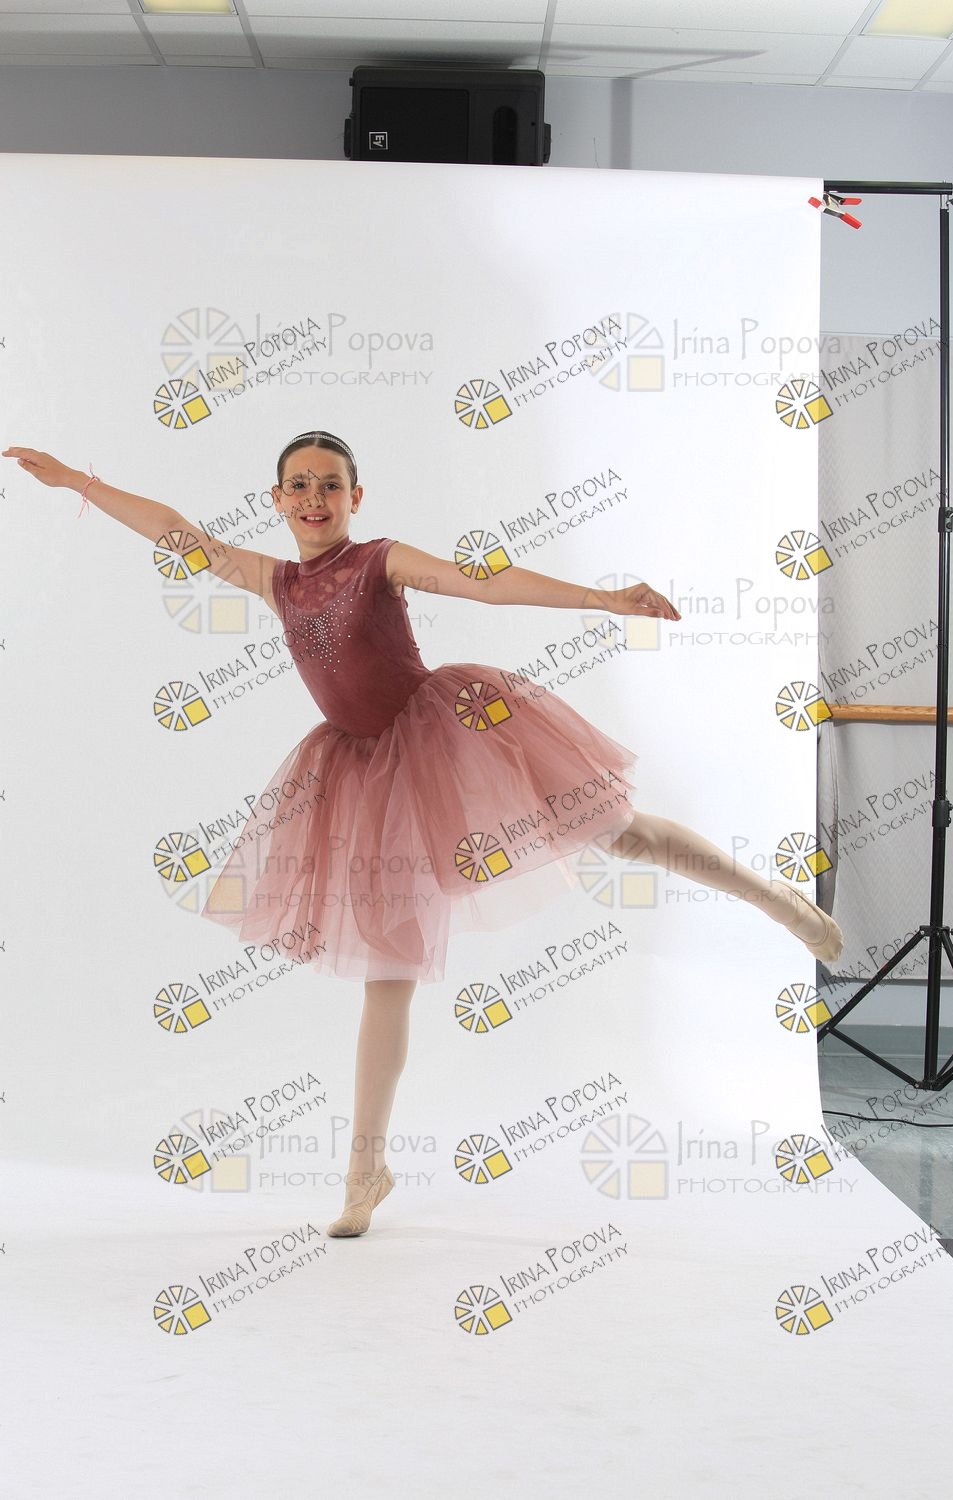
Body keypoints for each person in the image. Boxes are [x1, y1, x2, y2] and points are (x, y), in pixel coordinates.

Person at [3, 432, 842, 1239]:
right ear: (277, 500)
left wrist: (602, 599)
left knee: (619, 833)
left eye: (331, 483)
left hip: (452, 734)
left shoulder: (379, 561)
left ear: (356, 496)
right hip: (361, 777)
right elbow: (174, 530)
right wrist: (78, 482)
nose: (315, 496)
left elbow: (483, 582)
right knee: (387, 974)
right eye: (299, 485)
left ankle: (777, 900)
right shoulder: (273, 579)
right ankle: (365, 1172)